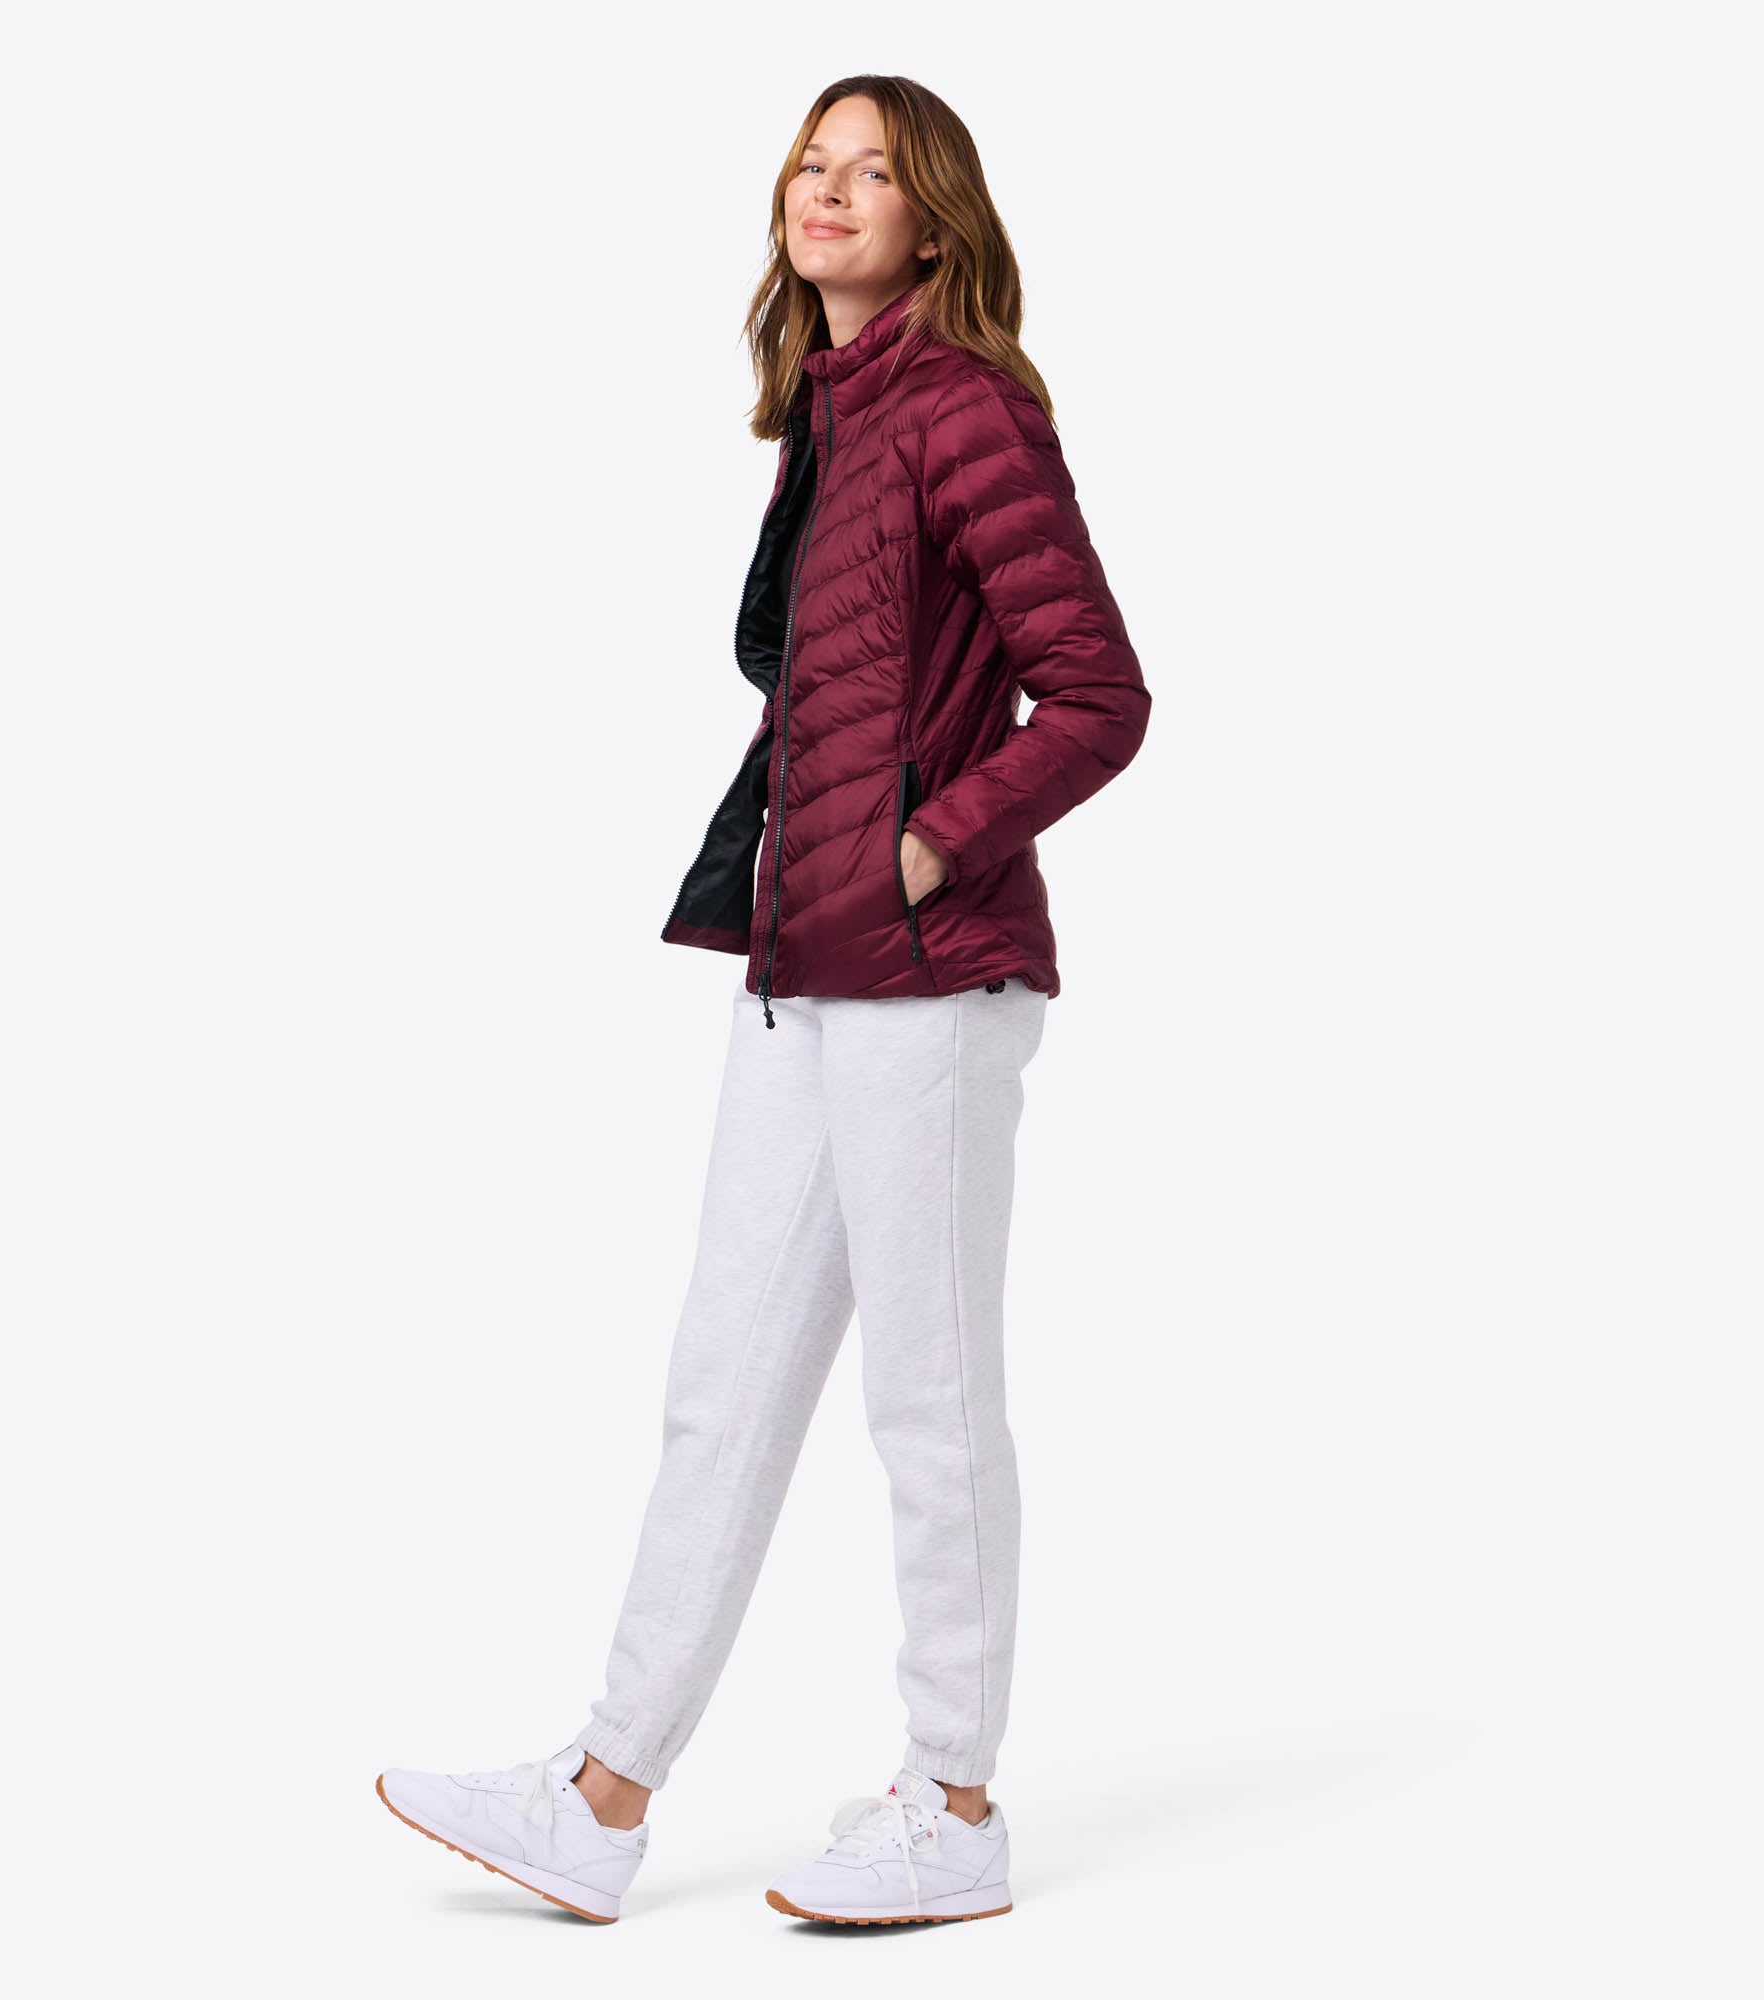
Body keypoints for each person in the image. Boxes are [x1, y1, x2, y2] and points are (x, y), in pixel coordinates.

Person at [377, 73, 1150, 1928]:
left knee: (929, 1405)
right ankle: (601, 1797)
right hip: (805, 975)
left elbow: (1100, 695)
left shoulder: (963, 406)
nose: (831, 189)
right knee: (719, 1391)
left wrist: (926, 848)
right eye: (812, 160)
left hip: (928, 983)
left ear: (935, 218)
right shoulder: (837, 407)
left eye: (874, 171)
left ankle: (954, 1805)